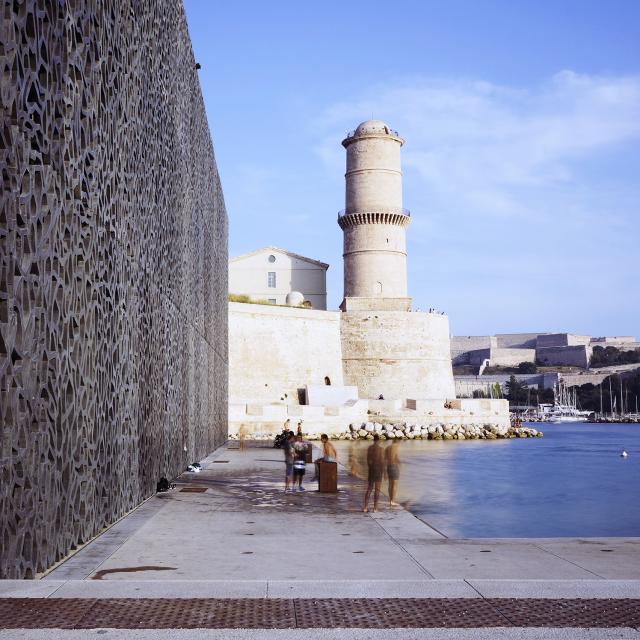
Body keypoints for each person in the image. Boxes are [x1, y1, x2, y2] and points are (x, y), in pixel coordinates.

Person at [363, 434, 385, 512]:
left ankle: (365, 507)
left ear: (373, 440)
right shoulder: (381, 449)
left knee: (369, 489)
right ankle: (375, 508)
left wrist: (370, 468)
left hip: (371, 470)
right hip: (378, 470)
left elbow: (368, 460)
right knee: (377, 489)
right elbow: (382, 461)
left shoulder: (370, 448)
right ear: (379, 441)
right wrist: (383, 472)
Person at [385, 438, 401, 506]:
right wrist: (400, 464)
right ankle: (393, 501)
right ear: (397, 442)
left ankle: (390, 500)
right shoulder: (396, 447)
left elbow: (385, 459)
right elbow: (396, 457)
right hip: (394, 466)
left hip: (388, 467)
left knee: (390, 484)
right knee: (395, 485)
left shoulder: (387, 448)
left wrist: (384, 471)